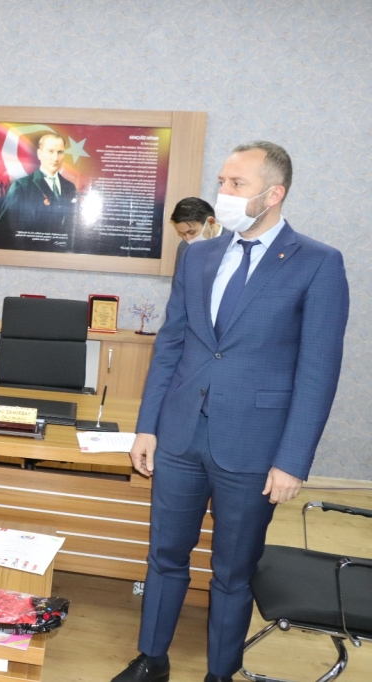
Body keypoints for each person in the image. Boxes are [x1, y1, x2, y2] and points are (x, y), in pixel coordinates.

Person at [111, 141, 349, 682]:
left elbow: (318, 373)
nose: (223, 192)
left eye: (237, 184)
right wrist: (147, 426)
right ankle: (152, 658)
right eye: (222, 181)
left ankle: (220, 673)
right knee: (164, 555)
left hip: (253, 443)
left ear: (274, 193)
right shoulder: (198, 255)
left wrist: (292, 460)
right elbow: (171, 345)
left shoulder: (318, 263)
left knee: (232, 572)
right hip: (179, 434)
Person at [0, 133, 78, 251]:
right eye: (50, 151)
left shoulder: (70, 187)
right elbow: (5, 229)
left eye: (60, 152)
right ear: (39, 154)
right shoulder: (21, 186)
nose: (55, 158)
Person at [170, 197, 221, 277]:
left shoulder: (234, 242)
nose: (187, 238)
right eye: (182, 234)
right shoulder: (184, 246)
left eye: (191, 232)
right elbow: (178, 282)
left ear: (211, 222)